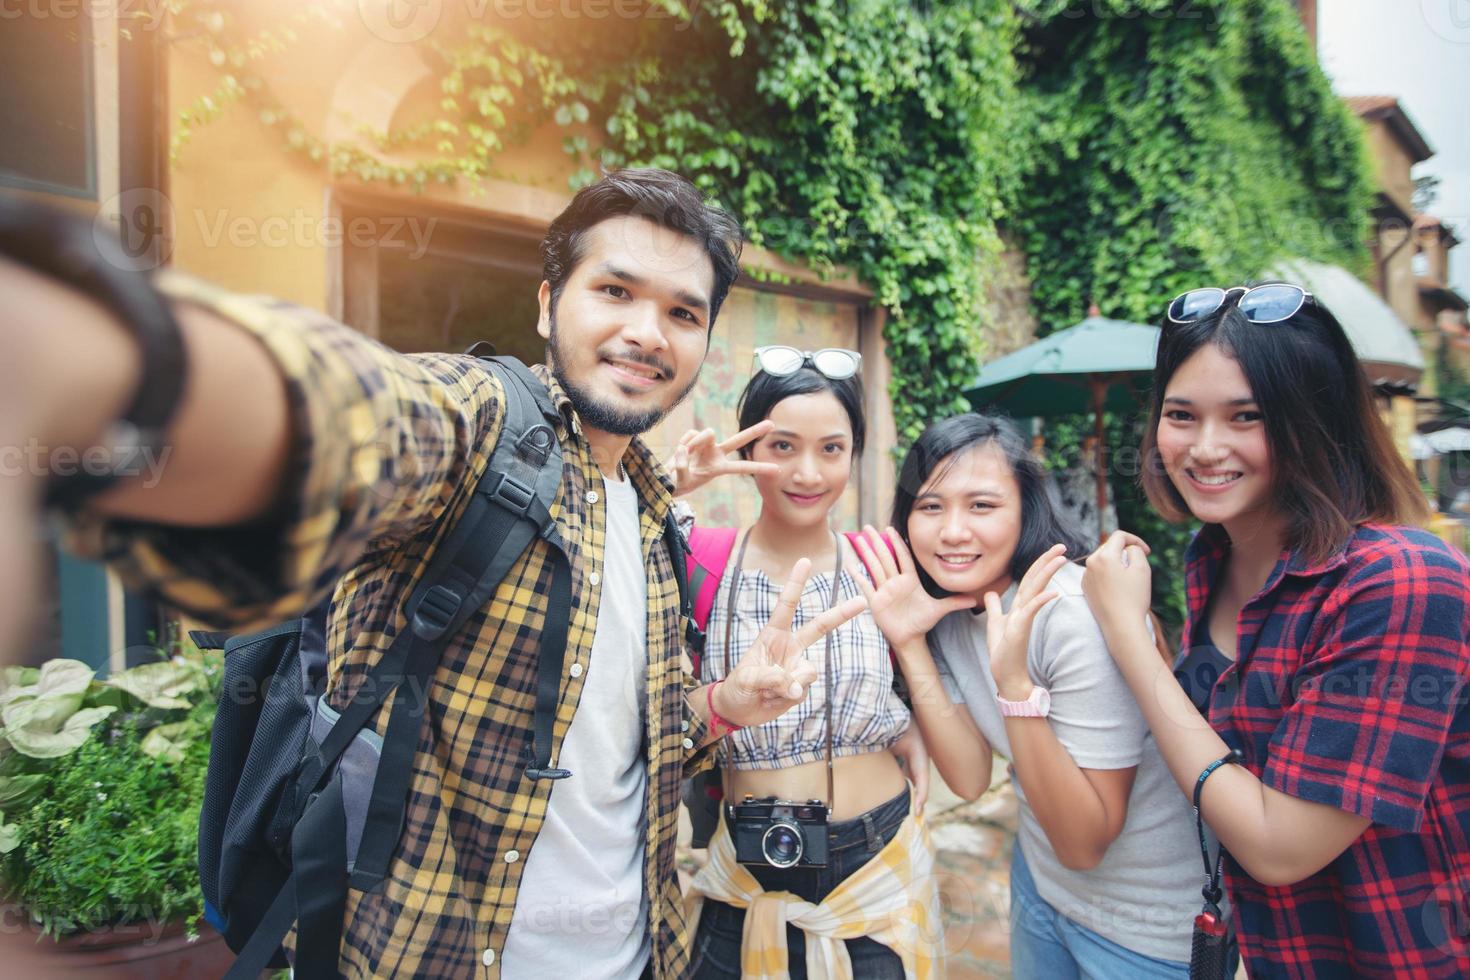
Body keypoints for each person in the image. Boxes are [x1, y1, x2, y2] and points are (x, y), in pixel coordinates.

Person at [0, 169, 870, 979]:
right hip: (436, 951)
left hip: (639, 953)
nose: (647, 332)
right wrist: (126, 360)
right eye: (614, 291)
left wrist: (724, 704)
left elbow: (614, 742)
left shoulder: (652, 518)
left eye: (683, 313)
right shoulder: (486, 428)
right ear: (546, 303)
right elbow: (361, 419)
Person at [1081, 282, 1470, 978]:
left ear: (1313, 422)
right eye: (1181, 414)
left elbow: (1278, 846)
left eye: (1246, 416)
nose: (1204, 448)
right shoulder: (1214, 560)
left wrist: (1129, 639)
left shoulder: (1401, 579)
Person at [850, 413, 1203, 977]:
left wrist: (1016, 691)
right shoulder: (943, 606)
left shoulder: (1071, 616)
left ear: (1026, 510)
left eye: (982, 506)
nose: (952, 532)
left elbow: (1086, 842)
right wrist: (910, 642)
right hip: (1042, 884)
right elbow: (967, 778)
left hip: (1146, 923)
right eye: (931, 506)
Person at [672, 348, 944, 979]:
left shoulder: (884, 563)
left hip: (879, 864)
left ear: (854, 454)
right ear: (746, 449)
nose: (806, 471)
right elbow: (578, 546)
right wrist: (672, 482)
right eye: (782, 446)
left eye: (831, 449)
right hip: (742, 875)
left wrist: (908, 721)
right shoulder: (695, 557)